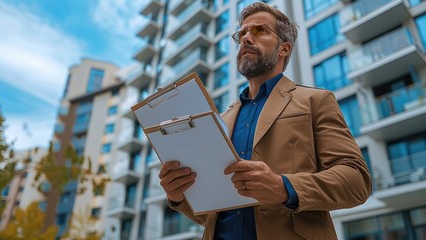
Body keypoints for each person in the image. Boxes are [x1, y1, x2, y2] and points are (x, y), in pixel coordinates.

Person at [159, 2, 372, 239]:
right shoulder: (220, 120)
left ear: (284, 49)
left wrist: (284, 188)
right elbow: (212, 214)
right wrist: (178, 196)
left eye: (260, 30)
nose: (247, 38)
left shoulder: (316, 100)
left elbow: (356, 181)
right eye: (242, 34)